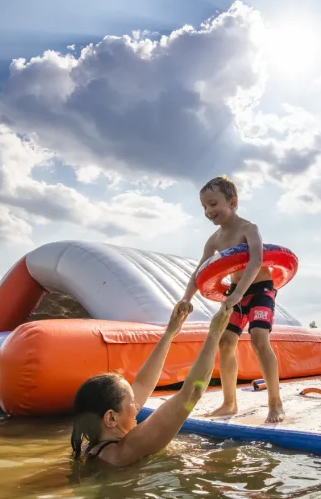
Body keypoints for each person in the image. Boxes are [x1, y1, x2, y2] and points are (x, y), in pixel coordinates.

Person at [177, 175, 285, 423]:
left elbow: (256, 260)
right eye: (204, 207)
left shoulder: (249, 228)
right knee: (225, 343)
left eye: (213, 204)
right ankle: (229, 403)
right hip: (235, 294)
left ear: (233, 202)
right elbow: (200, 272)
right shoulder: (214, 240)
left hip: (260, 290)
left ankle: (275, 402)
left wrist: (237, 293)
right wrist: (186, 298)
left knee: (259, 339)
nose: (208, 211)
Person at [71, 301, 233, 467]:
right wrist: (215, 334)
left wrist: (170, 333)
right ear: (111, 418)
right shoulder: (125, 449)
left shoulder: (93, 447)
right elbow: (193, 392)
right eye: (132, 403)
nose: (137, 405)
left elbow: (142, 384)